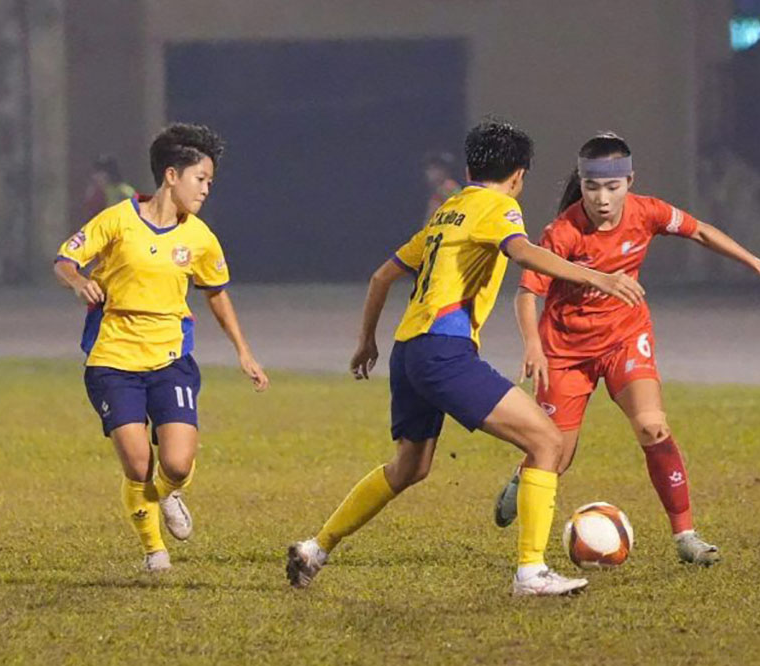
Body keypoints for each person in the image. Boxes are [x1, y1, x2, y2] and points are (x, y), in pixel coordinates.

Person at [286, 120, 646, 596]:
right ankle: (531, 571)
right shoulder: (499, 206)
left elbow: (379, 278)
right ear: (518, 174)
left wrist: (366, 342)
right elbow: (522, 253)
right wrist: (596, 277)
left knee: (409, 467)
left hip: (408, 350)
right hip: (443, 352)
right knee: (546, 441)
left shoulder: (447, 212)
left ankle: (316, 548)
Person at [492, 132, 760, 565]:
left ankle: (686, 537)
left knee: (653, 426)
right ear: (581, 184)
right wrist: (533, 344)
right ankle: (522, 478)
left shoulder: (648, 212)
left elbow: (700, 232)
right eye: (592, 187)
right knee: (556, 456)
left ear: (629, 181)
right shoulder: (563, 232)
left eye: (613, 187)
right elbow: (527, 293)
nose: (602, 199)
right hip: (566, 352)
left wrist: (757, 262)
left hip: (624, 338)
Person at [54, 124, 269, 572]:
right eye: (201, 179)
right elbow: (65, 260)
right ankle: (154, 551)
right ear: (171, 175)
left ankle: (170, 493)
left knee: (175, 462)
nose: (207, 189)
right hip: (113, 360)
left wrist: (243, 352)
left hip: (171, 360)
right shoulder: (118, 219)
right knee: (137, 465)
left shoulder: (200, 238)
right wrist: (80, 282)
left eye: (210, 181)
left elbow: (216, 292)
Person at [83, 154, 137, 222]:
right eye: (96, 173)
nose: (96, 177)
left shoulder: (124, 191)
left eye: (102, 173)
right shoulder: (95, 192)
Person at [421, 150, 463, 223]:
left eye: (434, 168)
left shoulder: (449, 187)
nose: (430, 172)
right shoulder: (435, 191)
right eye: (428, 169)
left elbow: (461, 208)